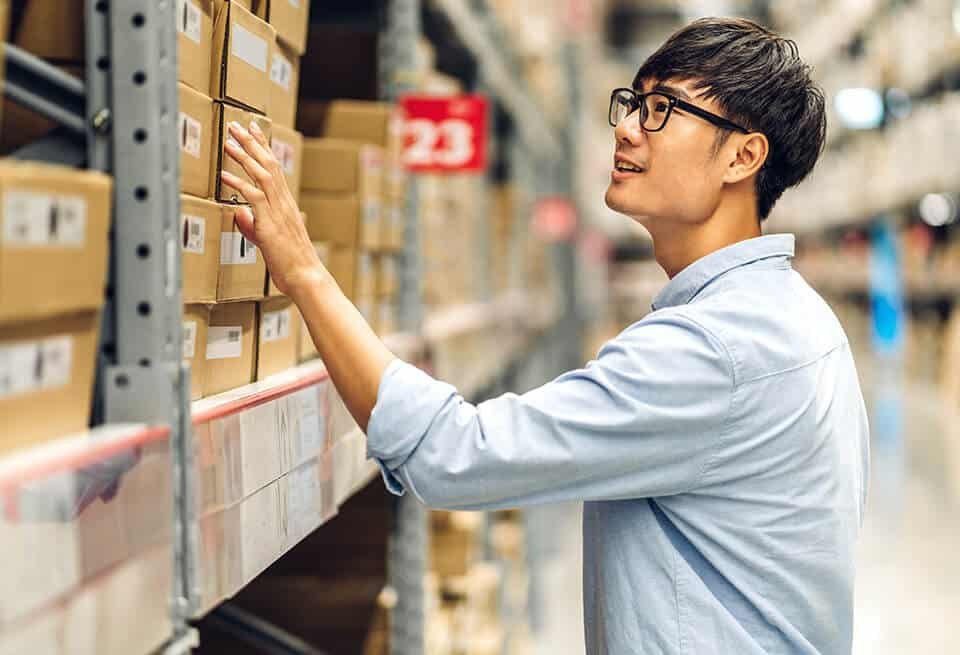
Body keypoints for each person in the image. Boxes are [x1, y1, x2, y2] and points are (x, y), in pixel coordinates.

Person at [220, 16, 869, 655]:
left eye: (662, 109)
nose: (626, 127)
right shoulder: (797, 318)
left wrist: (302, 267)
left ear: (743, 155)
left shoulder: (715, 349)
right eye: (632, 102)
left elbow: (450, 454)